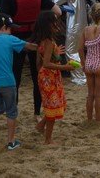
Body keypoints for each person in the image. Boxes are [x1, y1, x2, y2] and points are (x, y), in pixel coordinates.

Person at [0, 0, 60, 120]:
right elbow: (57, 11)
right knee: (36, 76)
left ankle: (14, 113)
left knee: (15, 78)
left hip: (16, 41)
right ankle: (37, 113)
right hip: (36, 40)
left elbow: (2, 20)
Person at [0, 14, 38, 151]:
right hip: (7, 81)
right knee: (11, 111)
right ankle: (11, 141)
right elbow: (29, 46)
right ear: (3, 27)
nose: (11, 31)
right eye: (10, 28)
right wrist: (44, 46)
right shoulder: (9, 39)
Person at [34, 11, 76, 144]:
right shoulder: (49, 42)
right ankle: (48, 139)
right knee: (53, 107)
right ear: (49, 24)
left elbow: (39, 63)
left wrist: (56, 54)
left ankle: (41, 125)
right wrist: (65, 67)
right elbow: (46, 63)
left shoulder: (42, 41)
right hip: (50, 77)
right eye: (54, 22)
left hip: (46, 76)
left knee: (54, 105)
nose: (57, 25)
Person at [52, 0, 88, 85]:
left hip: (74, 24)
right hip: (80, 22)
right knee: (77, 49)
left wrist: (48, 3)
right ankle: (80, 74)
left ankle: (79, 76)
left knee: (71, 50)